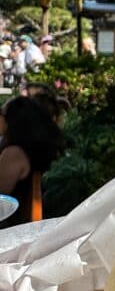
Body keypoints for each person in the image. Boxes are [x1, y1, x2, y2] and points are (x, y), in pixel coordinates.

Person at [0, 96, 63, 228]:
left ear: (12, 121)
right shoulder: (30, 150)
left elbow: (1, 196)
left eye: (2, 113)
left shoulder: (14, 153)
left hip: (9, 229)